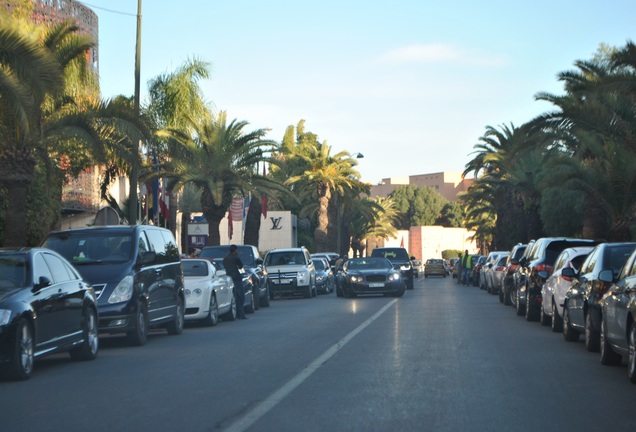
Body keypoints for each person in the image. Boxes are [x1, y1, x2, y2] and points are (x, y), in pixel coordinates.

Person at [223, 244, 247, 319]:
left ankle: (236, 313)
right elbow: (241, 266)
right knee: (240, 296)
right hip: (236, 278)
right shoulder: (236, 258)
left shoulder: (225, 259)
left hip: (229, 278)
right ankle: (241, 314)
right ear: (235, 250)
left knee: (234, 296)